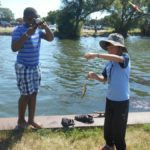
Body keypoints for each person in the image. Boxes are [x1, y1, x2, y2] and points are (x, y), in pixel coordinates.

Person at [84, 33, 130, 150]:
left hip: (122, 101)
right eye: (108, 46)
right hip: (110, 99)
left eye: (111, 46)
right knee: (108, 127)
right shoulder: (109, 64)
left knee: (119, 132)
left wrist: (96, 55)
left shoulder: (125, 58)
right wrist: (94, 76)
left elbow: (118, 59)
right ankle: (109, 146)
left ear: (120, 48)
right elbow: (104, 79)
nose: (108, 48)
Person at [11, 7, 54, 129]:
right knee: (25, 94)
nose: (33, 20)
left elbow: (51, 38)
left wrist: (45, 26)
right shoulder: (18, 30)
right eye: (30, 18)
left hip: (35, 66)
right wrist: (27, 34)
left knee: (34, 93)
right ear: (24, 18)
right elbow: (14, 48)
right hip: (23, 67)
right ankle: (20, 120)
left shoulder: (39, 31)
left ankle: (31, 120)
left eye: (35, 18)